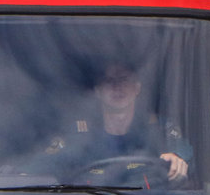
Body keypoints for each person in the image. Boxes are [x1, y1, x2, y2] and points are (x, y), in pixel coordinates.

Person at [42, 62, 191, 182]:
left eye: (124, 79)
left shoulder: (161, 129)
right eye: (109, 81)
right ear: (98, 91)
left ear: (137, 87)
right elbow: (45, 165)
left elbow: (194, 165)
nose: (117, 87)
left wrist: (177, 160)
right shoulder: (76, 134)